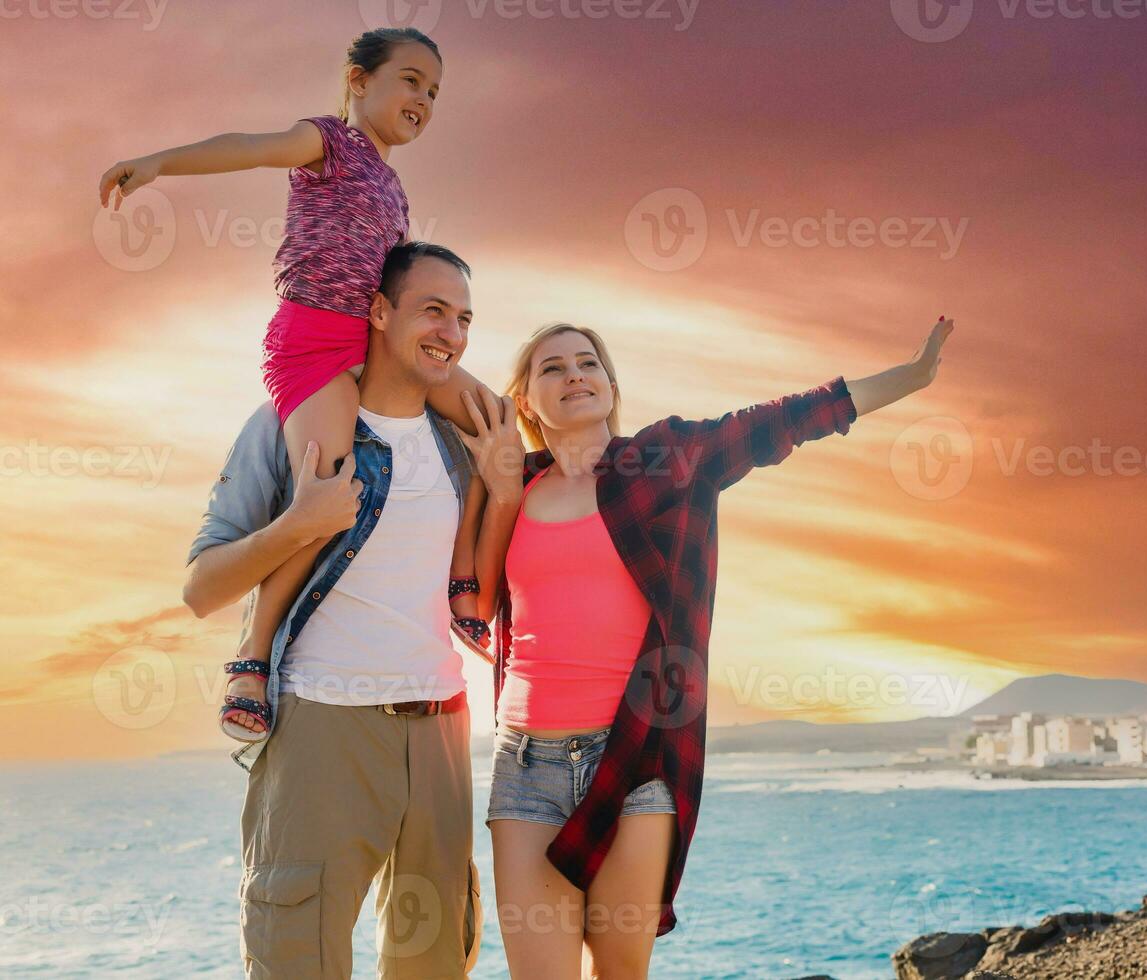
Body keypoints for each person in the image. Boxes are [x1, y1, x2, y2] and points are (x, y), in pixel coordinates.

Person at [460, 314, 955, 978]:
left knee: (619, 972)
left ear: (610, 383)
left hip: (636, 758)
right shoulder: (511, 485)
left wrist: (910, 376)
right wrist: (495, 491)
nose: (575, 374)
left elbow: (785, 420)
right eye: (552, 367)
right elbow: (476, 602)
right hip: (524, 766)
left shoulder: (667, 461)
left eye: (589, 362)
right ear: (524, 400)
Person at [101, 27, 495, 744]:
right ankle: (251, 658)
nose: (424, 100)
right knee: (330, 497)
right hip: (314, 346)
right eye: (411, 80)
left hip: (371, 344)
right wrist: (157, 163)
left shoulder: (397, 189)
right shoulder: (328, 144)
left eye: (434, 92)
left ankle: (466, 578)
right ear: (357, 79)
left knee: (494, 420)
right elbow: (246, 146)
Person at [183, 242, 521, 978]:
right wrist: (297, 524)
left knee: (434, 959)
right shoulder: (291, 422)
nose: (452, 333)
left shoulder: (465, 443)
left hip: (441, 729)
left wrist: (505, 488)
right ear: (378, 310)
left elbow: (489, 593)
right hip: (320, 728)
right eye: (433, 310)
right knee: (296, 954)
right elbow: (202, 587)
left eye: (464, 318)